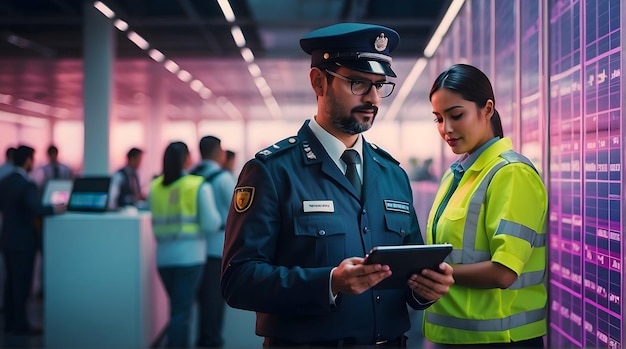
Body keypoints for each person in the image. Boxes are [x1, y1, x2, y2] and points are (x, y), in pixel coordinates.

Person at [220, 23, 454, 347]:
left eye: (380, 85)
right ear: (319, 81)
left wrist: (424, 288)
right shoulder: (273, 172)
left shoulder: (392, 175)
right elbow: (238, 280)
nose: (373, 98)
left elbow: (406, 275)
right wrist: (329, 282)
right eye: (358, 83)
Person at [424, 63, 547, 347]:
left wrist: (435, 275)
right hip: (456, 336)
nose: (447, 129)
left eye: (456, 115)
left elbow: (504, 272)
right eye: (438, 119)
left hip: (501, 339)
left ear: (487, 109)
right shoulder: (456, 175)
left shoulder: (511, 173)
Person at [148, 142, 221, 348]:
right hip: (190, 258)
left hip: (163, 258)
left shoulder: (154, 186)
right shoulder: (198, 185)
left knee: (178, 310)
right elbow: (211, 223)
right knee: (181, 313)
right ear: (188, 159)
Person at [0, 145, 66, 335]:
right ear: (28, 160)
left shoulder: (4, 181)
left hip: (7, 239)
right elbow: (36, 208)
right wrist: (55, 209)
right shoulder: (27, 184)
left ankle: (9, 324)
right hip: (23, 242)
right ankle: (21, 325)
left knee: (10, 284)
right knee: (22, 285)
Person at [189, 136, 237, 348]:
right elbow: (238, 213)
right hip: (218, 251)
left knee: (200, 305)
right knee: (214, 306)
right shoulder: (224, 179)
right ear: (219, 152)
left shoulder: (190, 176)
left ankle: (202, 341)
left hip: (193, 250)